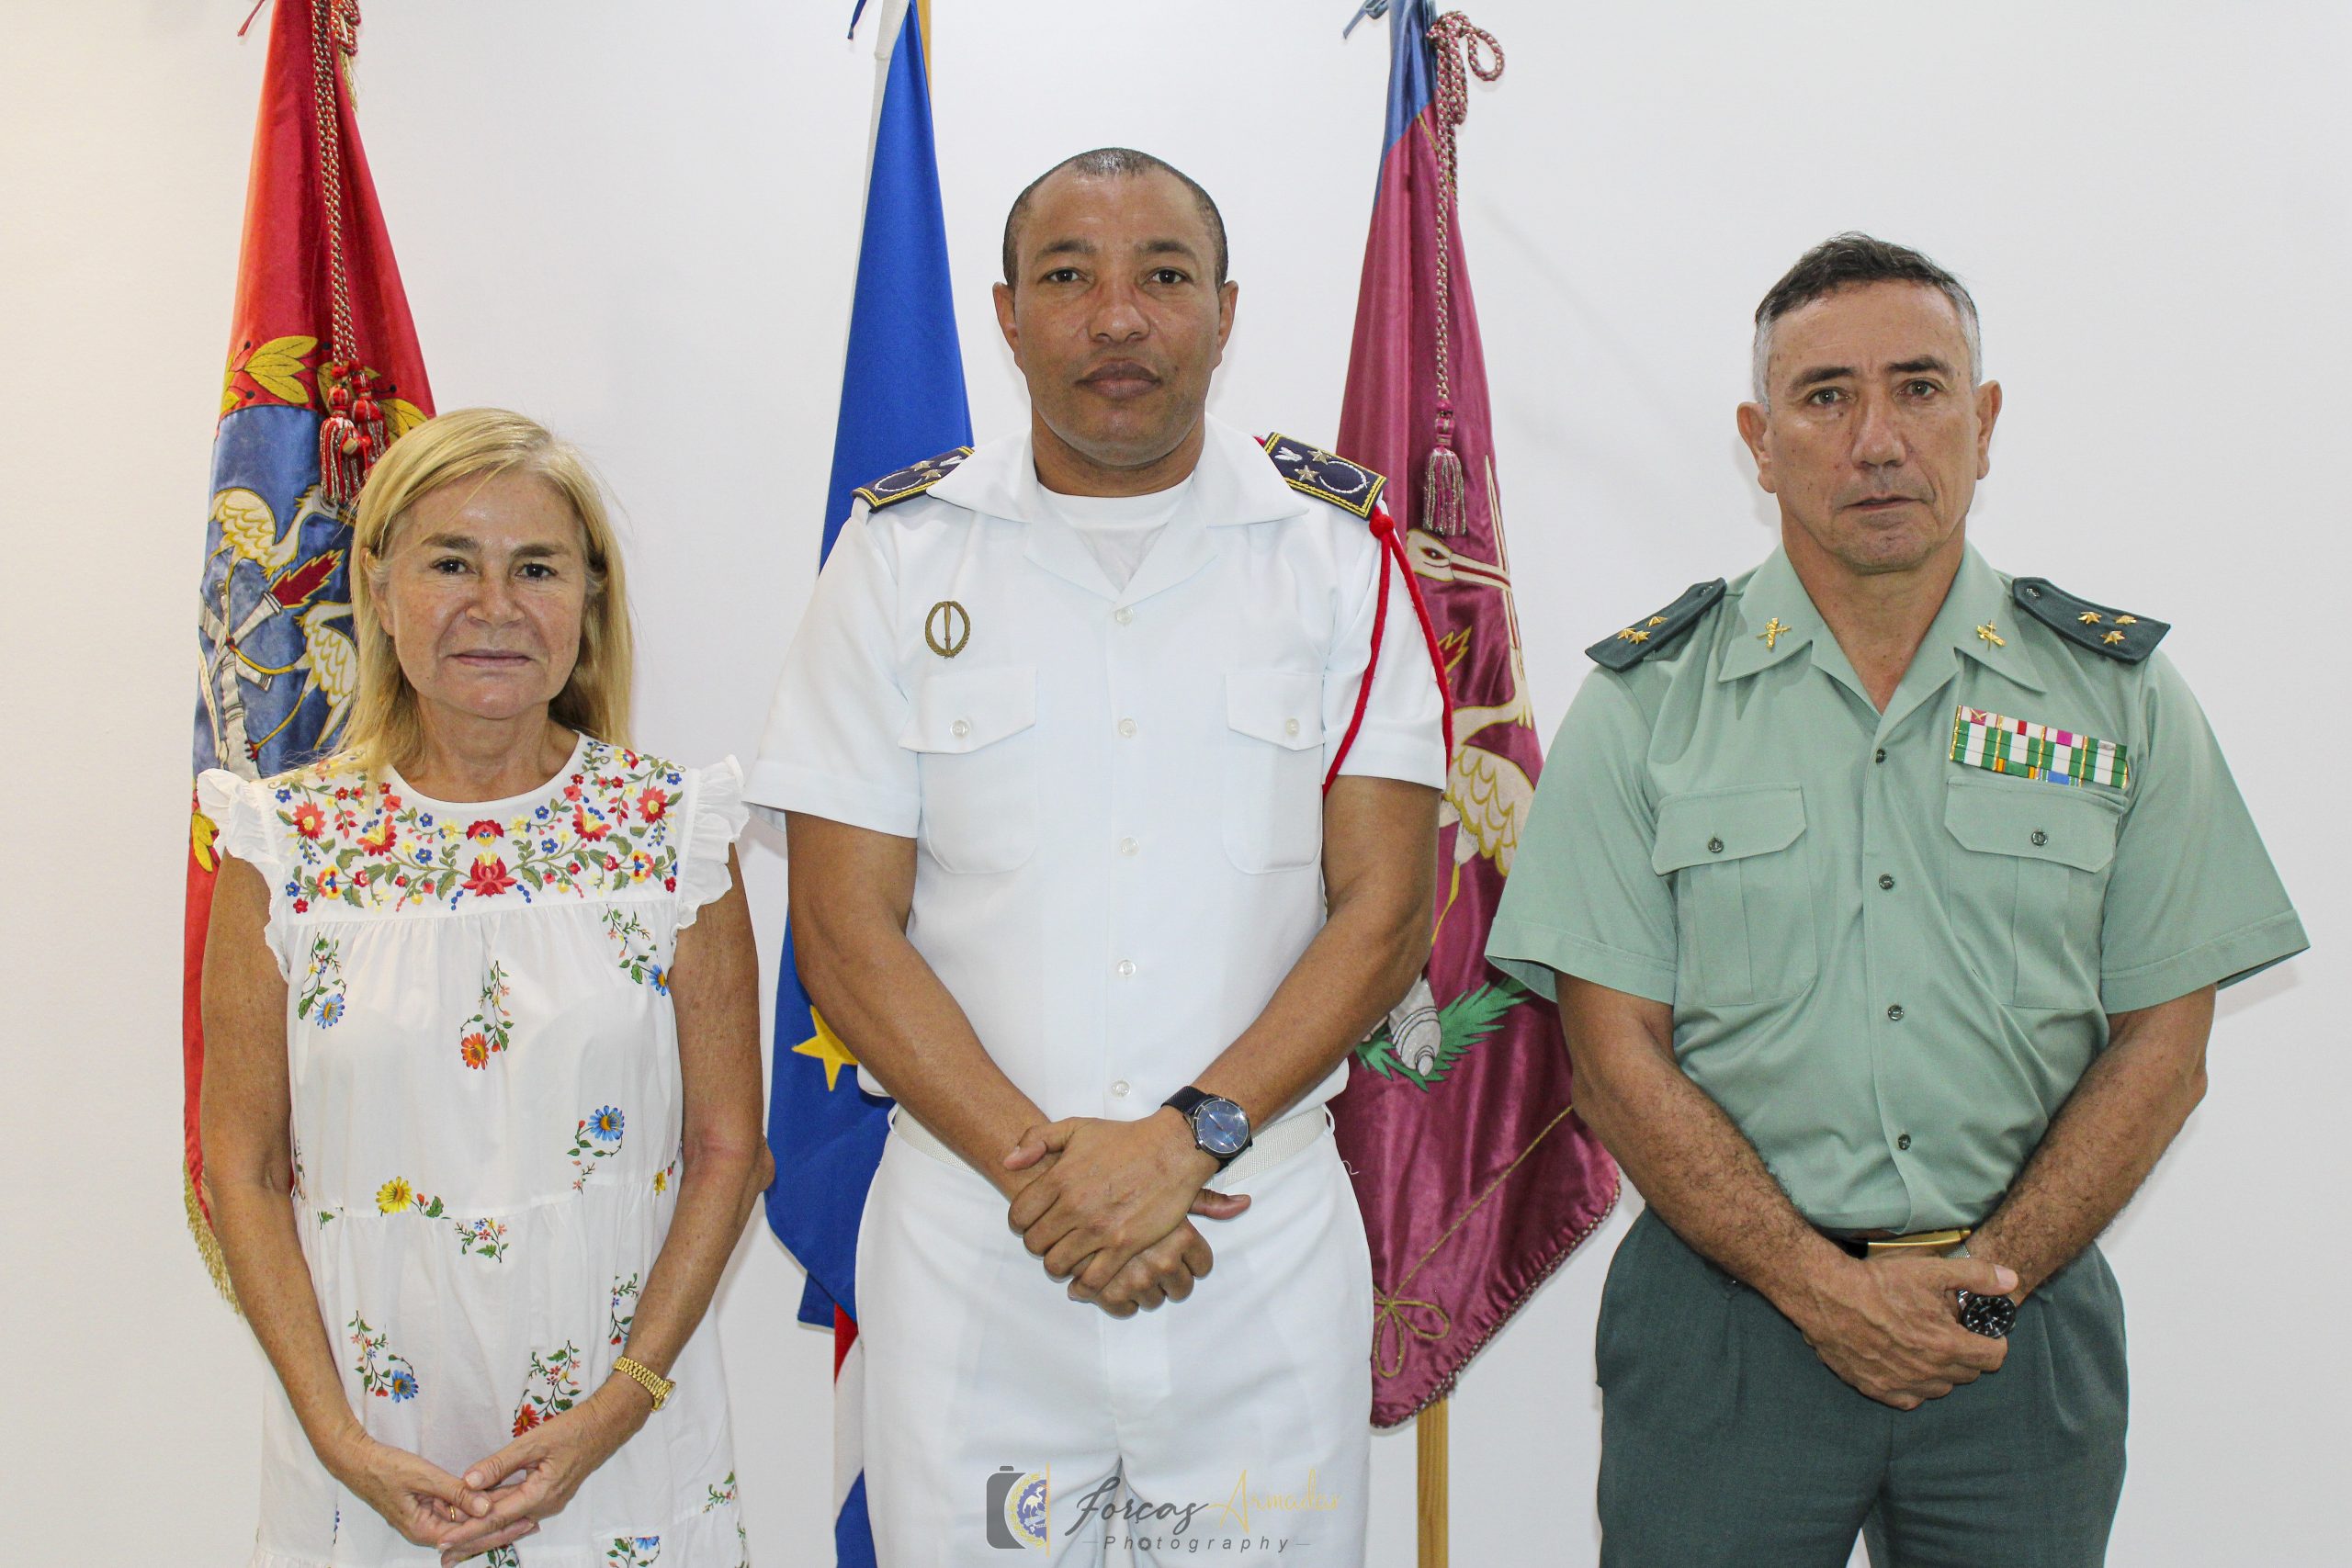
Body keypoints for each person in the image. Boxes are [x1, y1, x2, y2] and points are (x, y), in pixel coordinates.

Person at [1487, 234, 2307, 1567]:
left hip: (2019, 1330)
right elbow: (1611, 1058)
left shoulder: (2118, 698)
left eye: (1919, 388)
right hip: (1727, 1332)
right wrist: (1818, 1288)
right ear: (1759, 443)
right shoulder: (1647, 707)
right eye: (1825, 397)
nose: (1877, 440)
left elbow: (2168, 1042)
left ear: (1984, 422)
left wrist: (1988, 1283)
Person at [750, 148, 1446, 1563]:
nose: (1117, 315)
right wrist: (1058, 1179)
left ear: (1227, 311)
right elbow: (844, 927)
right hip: (980, 1245)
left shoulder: (1338, 556)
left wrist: (1183, 1141)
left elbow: (1387, 908)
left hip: (1253, 1238)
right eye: (1068, 275)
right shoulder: (898, 557)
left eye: (1163, 275)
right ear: (1006, 314)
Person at [198, 408, 771, 1567]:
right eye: (451, 563)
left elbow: (727, 1149)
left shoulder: (674, 834)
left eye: (537, 568)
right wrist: (340, 1441)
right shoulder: (281, 845)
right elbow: (242, 1168)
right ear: (379, 587)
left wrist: (613, 1412)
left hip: (621, 1449)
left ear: (588, 597)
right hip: (361, 1450)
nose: (495, 606)